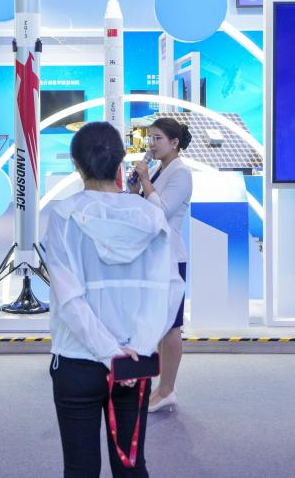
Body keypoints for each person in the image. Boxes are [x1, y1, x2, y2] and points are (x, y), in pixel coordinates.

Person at [47, 122, 184, 477]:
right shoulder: (152, 216)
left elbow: (69, 299)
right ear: (120, 161)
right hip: (134, 362)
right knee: (131, 467)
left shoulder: (63, 216)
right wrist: (134, 349)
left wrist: (109, 352)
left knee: (80, 469)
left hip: (78, 359)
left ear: (77, 164)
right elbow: (170, 290)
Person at [129, 117, 193, 413]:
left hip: (171, 258)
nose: (151, 144)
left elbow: (163, 213)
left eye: (157, 138)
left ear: (174, 142)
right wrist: (135, 189)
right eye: (150, 138)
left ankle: (167, 389)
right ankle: (161, 388)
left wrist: (144, 182)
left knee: (172, 327)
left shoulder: (181, 173)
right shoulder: (160, 170)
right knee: (158, 324)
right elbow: (143, 211)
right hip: (153, 256)